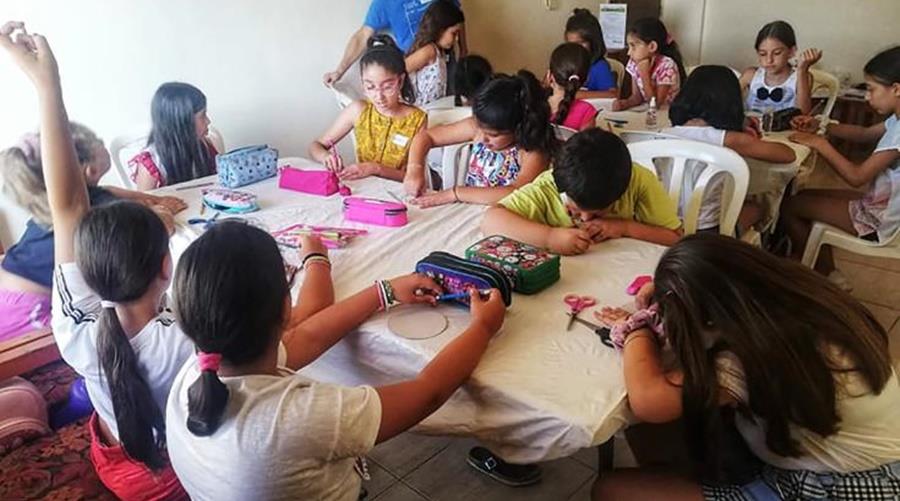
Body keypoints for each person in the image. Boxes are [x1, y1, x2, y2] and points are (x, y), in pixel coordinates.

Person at [165, 220, 506, 500]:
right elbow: (427, 392)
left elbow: (309, 336)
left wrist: (384, 291)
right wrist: (484, 327)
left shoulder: (199, 370)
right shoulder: (301, 417)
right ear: (286, 308)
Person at [0, 21, 192, 500]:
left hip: (115, 467)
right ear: (166, 267)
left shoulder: (75, 327)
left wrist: (46, 86)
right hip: (174, 477)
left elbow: (67, 206)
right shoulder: (187, 336)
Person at [591, 234, 900, 500]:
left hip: (843, 485)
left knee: (611, 489)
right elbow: (713, 275)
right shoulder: (796, 294)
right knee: (661, 435)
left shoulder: (752, 355)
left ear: (710, 318)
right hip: (861, 458)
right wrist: (671, 294)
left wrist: (636, 330)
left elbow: (648, 400)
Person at [0, 124, 185, 341]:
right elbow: (158, 228)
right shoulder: (97, 210)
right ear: (91, 171)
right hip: (30, 313)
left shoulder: (59, 203)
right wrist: (163, 211)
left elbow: (108, 191)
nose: (102, 143)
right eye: (99, 141)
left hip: (8, 290)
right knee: (104, 337)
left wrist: (149, 198)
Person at [783, 46, 900, 279]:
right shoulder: (896, 120)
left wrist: (820, 143)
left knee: (789, 207)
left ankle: (823, 275)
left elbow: (856, 177)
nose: (867, 97)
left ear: (896, 89)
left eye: (871, 89)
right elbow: (864, 133)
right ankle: (823, 268)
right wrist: (822, 125)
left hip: (881, 221)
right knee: (804, 196)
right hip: (880, 206)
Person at [482, 129, 682, 255]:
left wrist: (625, 227)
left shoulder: (638, 180)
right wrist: (550, 238)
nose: (585, 219)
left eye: (597, 213)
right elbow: (491, 220)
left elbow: (675, 237)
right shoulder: (550, 186)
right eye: (574, 210)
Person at [664, 65, 796, 232]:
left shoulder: (662, 134)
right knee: (756, 208)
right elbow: (788, 155)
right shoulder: (730, 139)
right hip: (706, 231)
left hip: (660, 223)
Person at [402, 71, 555, 208]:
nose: (482, 138)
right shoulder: (477, 127)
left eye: (493, 135)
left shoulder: (532, 150)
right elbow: (426, 137)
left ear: (518, 128)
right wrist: (415, 169)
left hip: (507, 219)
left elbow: (516, 192)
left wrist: (455, 193)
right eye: (480, 128)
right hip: (470, 212)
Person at [310, 35, 427, 182]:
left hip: (398, 190)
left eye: (387, 87)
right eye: (370, 87)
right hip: (365, 188)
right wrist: (326, 157)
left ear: (401, 81)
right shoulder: (359, 110)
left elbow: (414, 177)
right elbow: (316, 146)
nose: (379, 96)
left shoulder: (416, 119)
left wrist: (375, 168)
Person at [323, 0, 466, 88]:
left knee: (450, 104)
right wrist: (339, 71)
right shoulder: (385, 3)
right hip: (413, 65)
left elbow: (457, 19)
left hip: (445, 59)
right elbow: (363, 35)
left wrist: (464, 50)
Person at [129, 82, 219, 190]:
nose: (208, 121)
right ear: (182, 123)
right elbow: (143, 200)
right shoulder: (152, 164)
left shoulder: (206, 147)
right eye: (202, 116)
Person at [740, 20, 821, 114]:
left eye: (777, 53)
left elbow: (803, 114)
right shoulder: (750, 75)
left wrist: (802, 70)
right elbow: (729, 100)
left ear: (791, 51)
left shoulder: (801, 77)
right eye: (763, 54)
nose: (769, 60)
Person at [612, 18, 686, 110]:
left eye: (633, 46)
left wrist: (644, 74)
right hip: (647, 111)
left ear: (652, 46)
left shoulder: (667, 65)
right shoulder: (634, 62)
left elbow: (656, 104)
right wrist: (624, 104)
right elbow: (636, 97)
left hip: (666, 112)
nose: (629, 53)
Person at [405, 0, 465, 107]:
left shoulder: (441, 52)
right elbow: (399, 70)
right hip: (422, 111)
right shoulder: (429, 51)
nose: (456, 39)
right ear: (440, 30)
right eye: (453, 33)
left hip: (436, 108)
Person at [564, 8, 617, 99]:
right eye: (571, 44)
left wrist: (576, 94)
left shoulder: (599, 66)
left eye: (581, 43)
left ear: (593, 42)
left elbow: (613, 94)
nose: (576, 48)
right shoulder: (564, 63)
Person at [547, 42, 598, 131]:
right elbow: (587, 140)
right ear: (586, 79)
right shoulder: (586, 111)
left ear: (549, 76)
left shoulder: (533, 105)